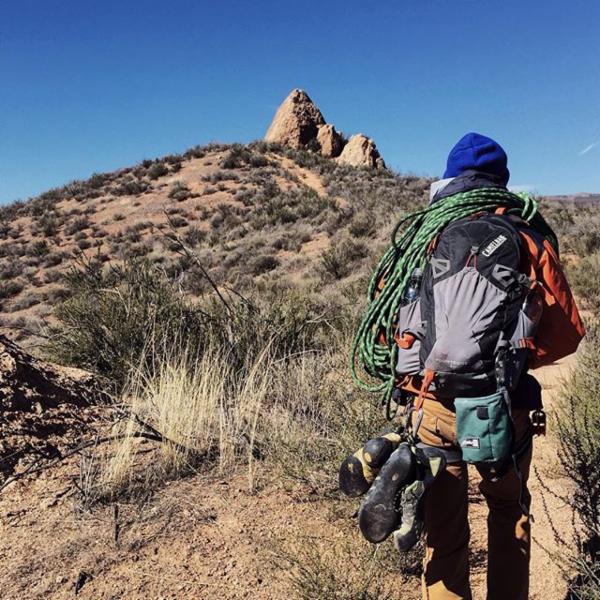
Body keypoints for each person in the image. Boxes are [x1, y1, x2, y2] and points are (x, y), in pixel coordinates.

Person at [414, 133, 583, 600]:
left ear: (448, 180)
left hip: (433, 408)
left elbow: (393, 332)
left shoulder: (423, 239)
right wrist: (518, 354)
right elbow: (567, 334)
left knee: (443, 530)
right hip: (503, 409)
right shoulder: (527, 238)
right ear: (500, 182)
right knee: (509, 514)